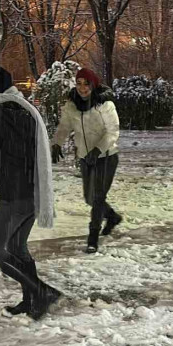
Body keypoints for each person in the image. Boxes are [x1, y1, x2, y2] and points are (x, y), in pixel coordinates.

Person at [0, 65, 61, 320]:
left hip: (15, 194)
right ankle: (31, 300)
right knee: (17, 246)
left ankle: (40, 291)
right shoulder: (24, 109)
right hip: (34, 190)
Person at [51, 67, 122, 254]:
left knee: (98, 197)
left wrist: (98, 149)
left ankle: (93, 237)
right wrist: (57, 143)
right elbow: (64, 126)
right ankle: (112, 217)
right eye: (79, 83)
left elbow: (113, 131)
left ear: (93, 84)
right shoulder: (71, 105)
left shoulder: (105, 105)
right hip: (84, 157)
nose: (82, 88)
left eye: (86, 84)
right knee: (89, 198)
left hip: (106, 156)